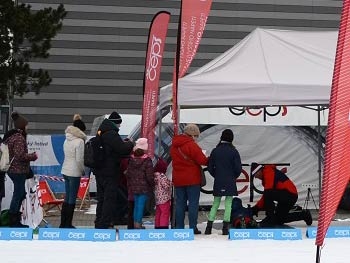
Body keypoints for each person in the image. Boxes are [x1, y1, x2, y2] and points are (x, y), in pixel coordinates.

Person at [93, 111, 134, 229]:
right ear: (115, 123)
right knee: (109, 199)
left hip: (99, 171)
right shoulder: (111, 134)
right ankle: (105, 224)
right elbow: (122, 149)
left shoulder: (100, 132)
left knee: (101, 198)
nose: (119, 127)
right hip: (109, 171)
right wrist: (130, 143)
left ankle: (99, 223)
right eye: (119, 125)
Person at [170, 123, 208, 234]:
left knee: (180, 204)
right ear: (192, 134)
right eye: (196, 136)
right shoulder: (191, 145)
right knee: (193, 204)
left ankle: (179, 227)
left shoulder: (174, 145)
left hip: (178, 179)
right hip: (192, 179)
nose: (196, 138)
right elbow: (203, 161)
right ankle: (192, 227)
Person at [250, 162, 313, 227]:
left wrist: (257, 208)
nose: (256, 177)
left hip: (290, 195)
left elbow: (267, 194)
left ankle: (269, 218)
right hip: (288, 196)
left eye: (255, 175)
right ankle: (304, 215)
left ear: (259, 170)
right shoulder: (267, 174)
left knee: (268, 194)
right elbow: (266, 195)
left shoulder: (268, 172)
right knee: (279, 219)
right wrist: (256, 208)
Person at [3, 112, 38, 227]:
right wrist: (33, 156)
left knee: (20, 193)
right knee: (18, 194)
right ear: (22, 126)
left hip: (14, 170)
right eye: (26, 125)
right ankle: (13, 220)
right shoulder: (18, 138)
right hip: (17, 170)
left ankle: (14, 218)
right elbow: (20, 155)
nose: (27, 127)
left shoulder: (12, 136)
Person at [205, 129, 242, 235]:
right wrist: (233, 177)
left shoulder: (215, 151)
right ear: (231, 139)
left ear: (221, 137)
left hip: (219, 180)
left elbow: (210, 167)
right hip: (230, 181)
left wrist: (217, 175)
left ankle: (209, 227)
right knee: (228, 204)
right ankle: (225, 228)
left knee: (215, 203)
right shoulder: (234, 152)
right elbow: (238, 168)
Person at [60, 114, 87, 228]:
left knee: (67, 197)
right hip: (74, 172)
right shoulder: (79, 142)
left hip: (65, 170)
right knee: (72, 198)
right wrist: (82, 170)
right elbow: (79, 159)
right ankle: (68, 223)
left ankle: (63, 222)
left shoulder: (67, 139)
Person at [125, 138, 154, 229]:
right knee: (140, 206)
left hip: (133, 186)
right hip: (144, 187)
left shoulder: (131, 159)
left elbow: (128, 173)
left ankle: (135, 224)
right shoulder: (147, 160)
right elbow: (149, 175)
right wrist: (152, 184)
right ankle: (138, 225)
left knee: (136, 206)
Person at [154, 158, 172, 229]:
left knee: (158, 212)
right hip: (164, 198)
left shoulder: (154, 176)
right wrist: (171, 183)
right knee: (165, 213)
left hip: (158, 198)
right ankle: (163, 226)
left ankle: (157, 225)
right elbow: (166, 185)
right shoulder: (162, 176)